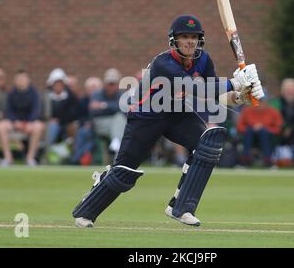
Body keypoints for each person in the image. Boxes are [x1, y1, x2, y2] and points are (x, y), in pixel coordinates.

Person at [72, 14, 264, 228]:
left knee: (207, 143)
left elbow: (212, 93)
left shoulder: (203, 59)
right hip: (147, 115)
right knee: (124, 172)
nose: (190, 41)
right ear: (174, 40)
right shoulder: (163, 63)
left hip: (177, 113)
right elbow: (196, 88)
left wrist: (240, 97)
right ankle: (86, 210)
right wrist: (235, 82)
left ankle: (182, 208)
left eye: (194, 36)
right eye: (184, 37)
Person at [0, 70, 45, 166]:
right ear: (15, 80)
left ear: (28, 80)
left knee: (39, 126)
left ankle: (30, 158)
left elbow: (36, 111)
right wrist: (15, 122)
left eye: (23, 78)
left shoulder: (34, 94)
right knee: (0, 126)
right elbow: (8, 111)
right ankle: (8, 158)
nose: (21, 80)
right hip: (14, 123)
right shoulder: (11, 94)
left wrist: (28, 123)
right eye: (19, 78)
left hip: (29, 124)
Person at [236, 88, 283, 167]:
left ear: (267, 101)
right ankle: (245, 160)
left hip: (267, 136)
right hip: (250, 135)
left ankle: (268, 161)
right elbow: (239, 127)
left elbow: (279, 128)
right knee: (249, 131)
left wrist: (264, 128)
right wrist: (252, 128)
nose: (259, 103)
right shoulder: (247, 110)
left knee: (264, 132)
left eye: (262, 100)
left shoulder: (274, 112)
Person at [90, 68, 126, 155]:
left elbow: (123, 110)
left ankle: (116, 143)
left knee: (119, 118)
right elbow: (94, 111)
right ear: (105, 84)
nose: (111, 86)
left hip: (116, 124)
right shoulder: (96, 94)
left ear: (117, 84)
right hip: (100, 124)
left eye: (113, 84)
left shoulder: (122, 95)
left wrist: (103, 105)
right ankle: (116, 145)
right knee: (120, 124)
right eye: (109, 84)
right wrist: (112, 107)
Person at [44, 68, 79, 147]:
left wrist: (60, 120)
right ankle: (46, 150)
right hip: (51, 125)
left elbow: (73, 113)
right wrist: (50, 120)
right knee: (52, 127)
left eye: (60, 83)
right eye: (56, 83)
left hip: (67, 124)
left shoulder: (70, 96)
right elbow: (44, 112)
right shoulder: (47, 97)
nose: (58, 86)